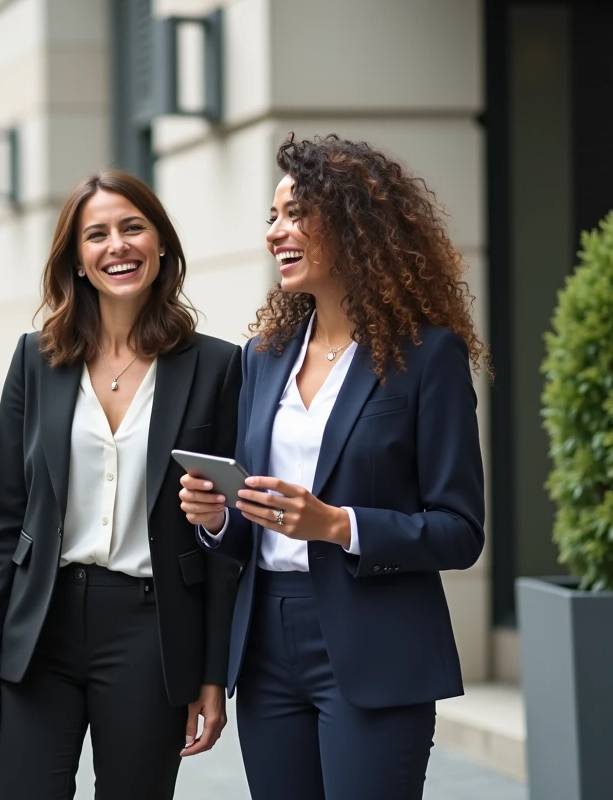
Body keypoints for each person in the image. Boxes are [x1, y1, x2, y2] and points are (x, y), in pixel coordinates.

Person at [179, 133, 489, 800]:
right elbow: (254, 523)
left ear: (354, 224)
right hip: (267, 645)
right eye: (271, 217)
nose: (275, 233)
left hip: (374, 644)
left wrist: (339, 524)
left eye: (296, 214)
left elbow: (460, 530)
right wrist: (216, 517)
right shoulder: (264, 356)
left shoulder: (426, 357)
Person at [0, 170, 242, 800]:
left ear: (161, 243)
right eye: (97, 234)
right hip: (40, 626)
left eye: (132, 227)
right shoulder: (36, 360)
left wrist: (212, 674)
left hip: (152, 629)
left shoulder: (219, 366)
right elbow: (3, 517)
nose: (117, 245)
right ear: (77, 260)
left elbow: (227, 545)